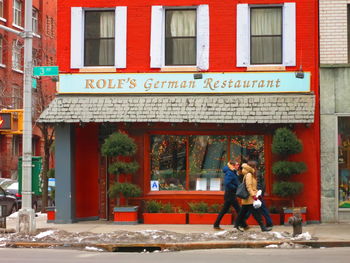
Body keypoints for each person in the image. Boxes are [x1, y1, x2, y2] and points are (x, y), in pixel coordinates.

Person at [234, 162, 272, 232]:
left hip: (249, 198)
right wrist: (254, 196)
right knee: (256, 213)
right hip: (250, 198)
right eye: (254, 167)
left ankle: (236, 225)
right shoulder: (249, 174)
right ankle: (263, 227)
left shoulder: (250, 174)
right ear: (251, 167)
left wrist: (257, 194)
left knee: (242, 213)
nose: (255, 168)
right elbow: (249, 186)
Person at [213, 160, 247, 230]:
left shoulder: (233, 172)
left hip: (230, 193)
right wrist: (235, 188)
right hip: (230, 194)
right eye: (237, 165)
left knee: (225, 210)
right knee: (238, 209)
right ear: (233, 165)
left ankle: (216, 224)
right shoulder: (230, 173)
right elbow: (227, 183)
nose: (238, 166)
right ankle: (244, 225)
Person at [243, 164, 273, 228]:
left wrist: (257, 193)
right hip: (257, 193)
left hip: (256, 194)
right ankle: (268, 222)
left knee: (249, 209)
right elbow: (263, 184)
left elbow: (258, 184)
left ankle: (242, 221)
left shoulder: (255, 174)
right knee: (260, 209)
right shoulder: (257, 173)